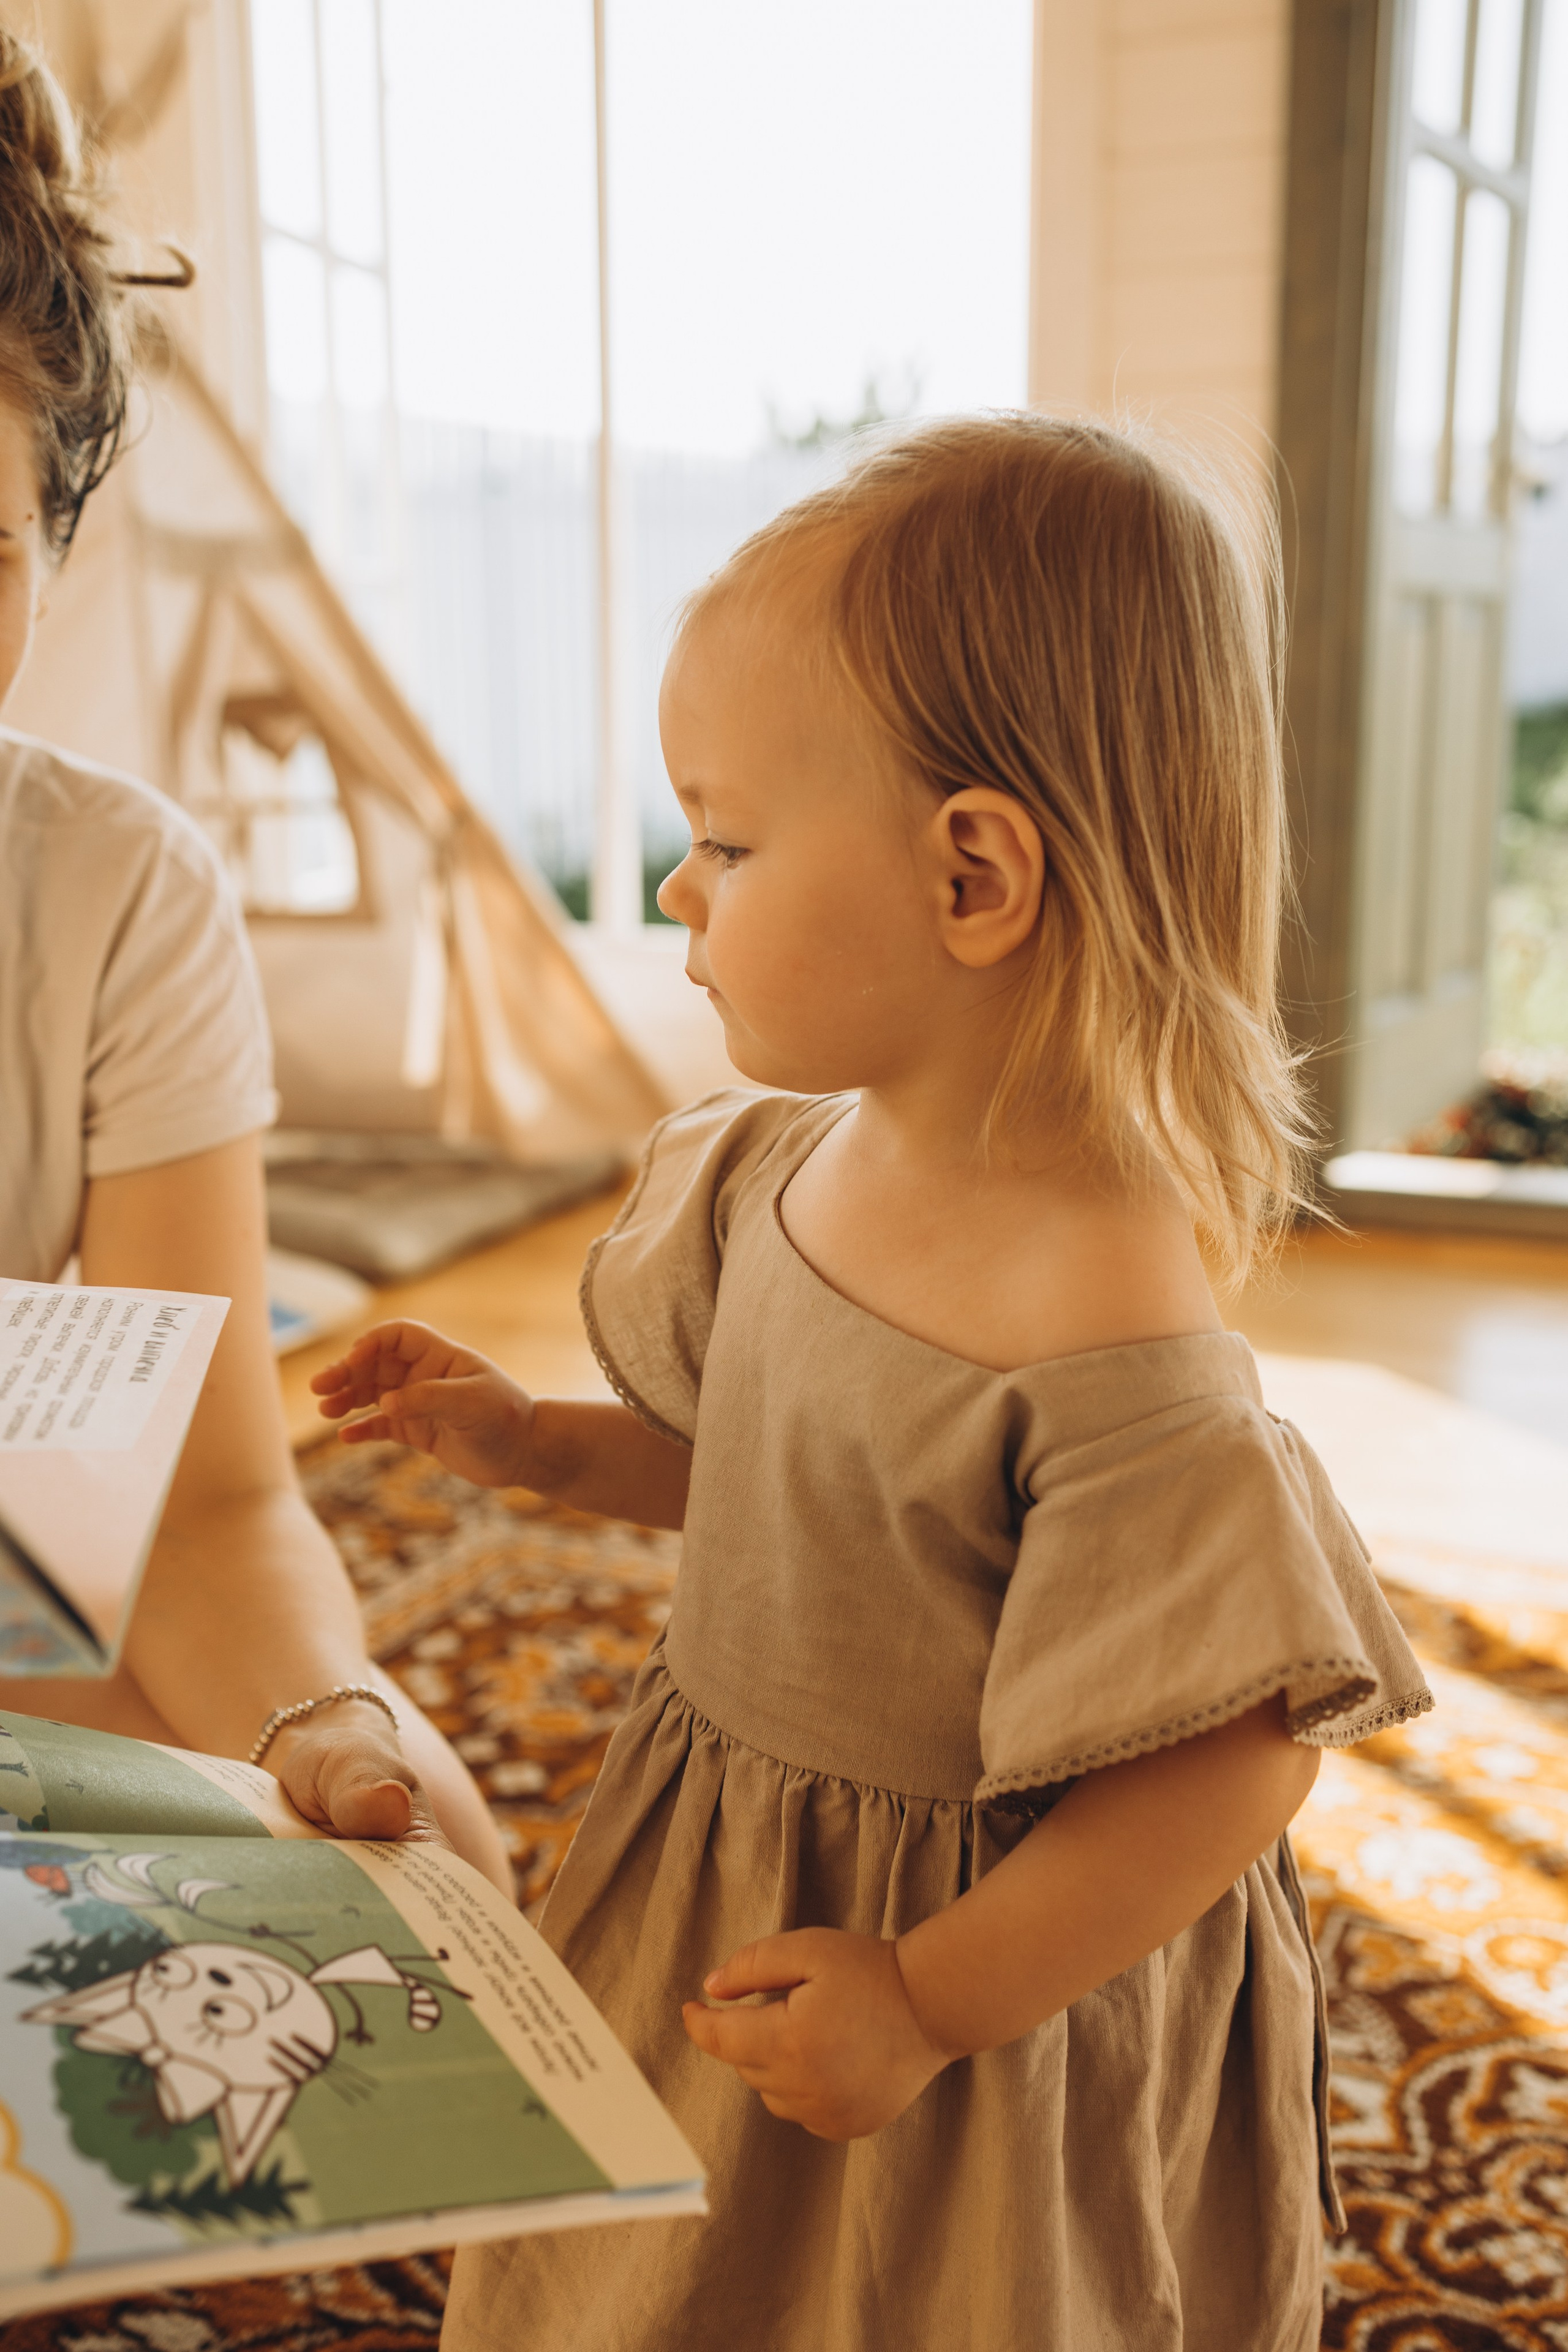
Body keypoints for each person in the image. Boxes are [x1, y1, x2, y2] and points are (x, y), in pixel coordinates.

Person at [314, 415, 1430, 2348]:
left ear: (973, 876)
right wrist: (540, 1445)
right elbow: (773, 1463)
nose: (678, 888)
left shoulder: (1102, 1335)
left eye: (727, 839)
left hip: (969, 1955)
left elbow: (1233, 1760)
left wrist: (931, 1995)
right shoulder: (789, 1158)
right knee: (685, 2247)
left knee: (921, 2284)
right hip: (743, 1834)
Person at [0, 32, 509, 1894]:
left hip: (18, 1619)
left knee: (421, 1865)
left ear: (51, 557)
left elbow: (211, 1502)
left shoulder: (112, 892)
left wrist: (327, 1722)